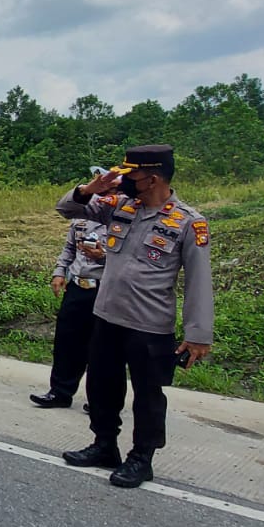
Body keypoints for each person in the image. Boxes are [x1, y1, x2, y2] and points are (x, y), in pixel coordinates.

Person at [55, 145, 213, 488]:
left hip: (149, 324)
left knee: (148, 394)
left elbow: (200, 280)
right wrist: (88, 190)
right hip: (107, 315)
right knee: (101, 384)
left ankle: (142, 458)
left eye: (131, 175)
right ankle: (104, 444)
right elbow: (66, 209)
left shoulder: (188, 221)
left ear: (153, 178)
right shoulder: (121, 207)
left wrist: (198, 333)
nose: (123, 180)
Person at [30, 218, 108, 410]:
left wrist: (103, 255)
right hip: (77, 287)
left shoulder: (123, 218)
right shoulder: (81, 220)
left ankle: (101, 399)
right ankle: (60, 392)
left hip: (105, 289)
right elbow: (69, 248)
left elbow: (129, 258)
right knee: (66, 341)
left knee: (102, 346)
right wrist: (59, 272)